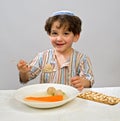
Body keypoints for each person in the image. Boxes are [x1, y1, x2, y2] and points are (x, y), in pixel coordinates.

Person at [17, 10, 94, 91]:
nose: (59, 39)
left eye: (66, 33)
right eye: (55, 33)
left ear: (76, 37)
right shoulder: (42, 57)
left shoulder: (82, 59)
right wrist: (23, 72)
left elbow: (89, 80)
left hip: (72, 100)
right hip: (48, 101)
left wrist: (83, 82)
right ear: (49, 34)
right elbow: (26, 79)